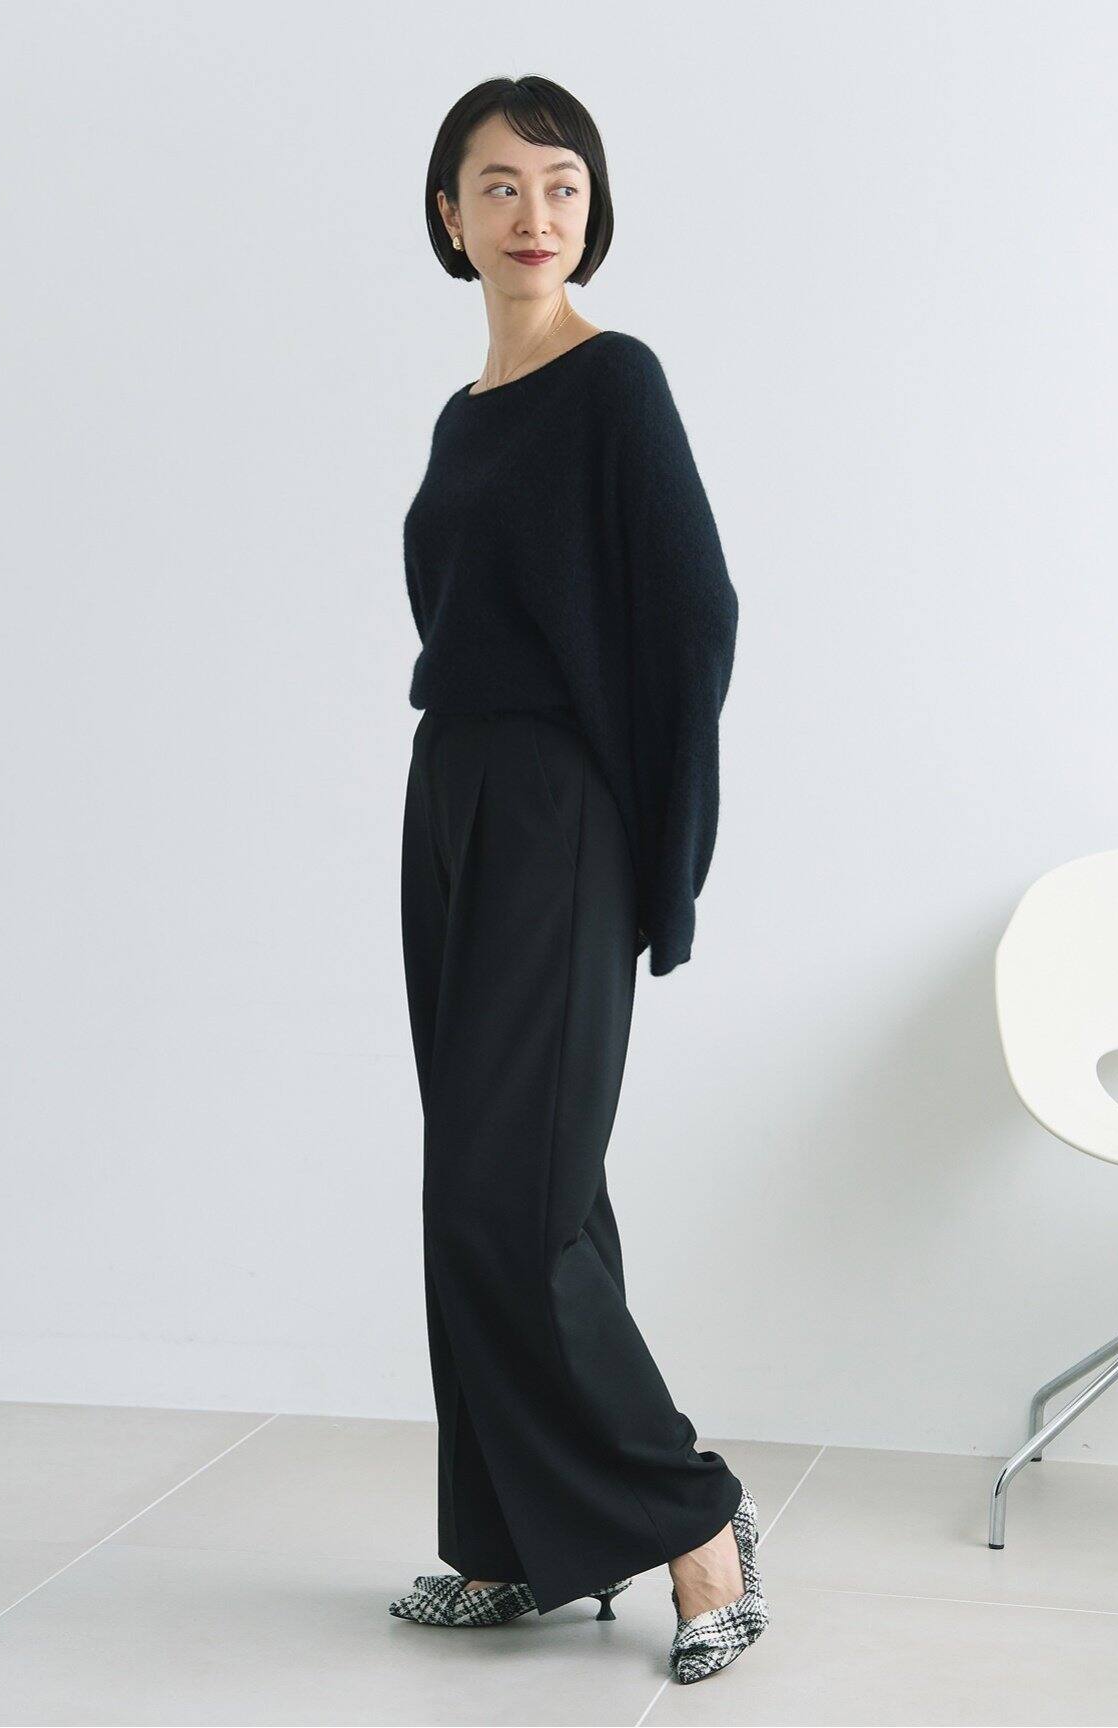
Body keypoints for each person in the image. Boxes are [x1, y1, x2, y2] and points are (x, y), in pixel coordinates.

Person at [390, 74, 767, 1685]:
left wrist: (652, 841)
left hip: (559, 810)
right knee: (484, 1187)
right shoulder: (468, 412)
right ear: (449, 216)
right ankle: (511, 1546)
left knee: (516, 1199)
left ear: (592, 208)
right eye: (499, 186)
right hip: (455, 797)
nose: (533, 214)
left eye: (559, 184)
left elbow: (697, 616)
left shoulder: (617, 382)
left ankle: (699, 1529)